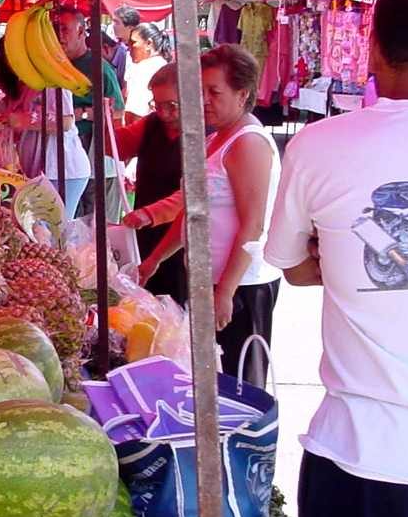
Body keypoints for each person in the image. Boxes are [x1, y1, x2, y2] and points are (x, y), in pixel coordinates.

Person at [264, 0, 408, 517]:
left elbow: (294, 265)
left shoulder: (319, 145)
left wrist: (354, 264)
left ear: (372, 49)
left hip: (364, 458)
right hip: (360, 457)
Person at [136, 44, 281, 385]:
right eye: (200, 91)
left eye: (214, 92)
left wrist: (225, 291)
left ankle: (242, 440)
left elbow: (253, 226)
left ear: (242, 94)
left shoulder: (248, 143)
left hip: (243, 286)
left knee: (240, 382)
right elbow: (193, 212)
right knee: (210, 379)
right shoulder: (216, 138)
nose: (203, 100)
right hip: (209, 280)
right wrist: (155, 259)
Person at [112, 64, 186, 305]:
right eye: (157, 104)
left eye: (171, 106)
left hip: (179, 239)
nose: (164, 113)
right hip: (144, 233)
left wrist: (149, 214)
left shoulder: (204, 134)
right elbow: (119, 146)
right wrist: (107, 119)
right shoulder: (151, 124)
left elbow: (192, 195)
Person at [0, 36, 90, 214]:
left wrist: (24, 121)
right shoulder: (21, 84)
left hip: (62, 171)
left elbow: (66, 121)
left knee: (55, 232)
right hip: (38, 171)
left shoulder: (52, 80)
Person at [56, 6, 125, 222]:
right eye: (55, 29)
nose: (59, 36)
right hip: (66, 153)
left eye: (64, 29)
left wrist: (80, 114)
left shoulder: (99, 68)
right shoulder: (55, 67)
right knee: (73, 222)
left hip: (96, 153)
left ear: (80, 31)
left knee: (99, 225)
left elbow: (117, 111)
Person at [122, 23, 170, 123]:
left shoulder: (146, 68)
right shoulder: (162, 65)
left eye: (133, 43)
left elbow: (136, 113)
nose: (129, 48)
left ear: (148, 43)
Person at [111, 5, 141, 88]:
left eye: (116, 22)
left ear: (130, 27)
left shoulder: (140, 51)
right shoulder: (119, 47)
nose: (113, 25)